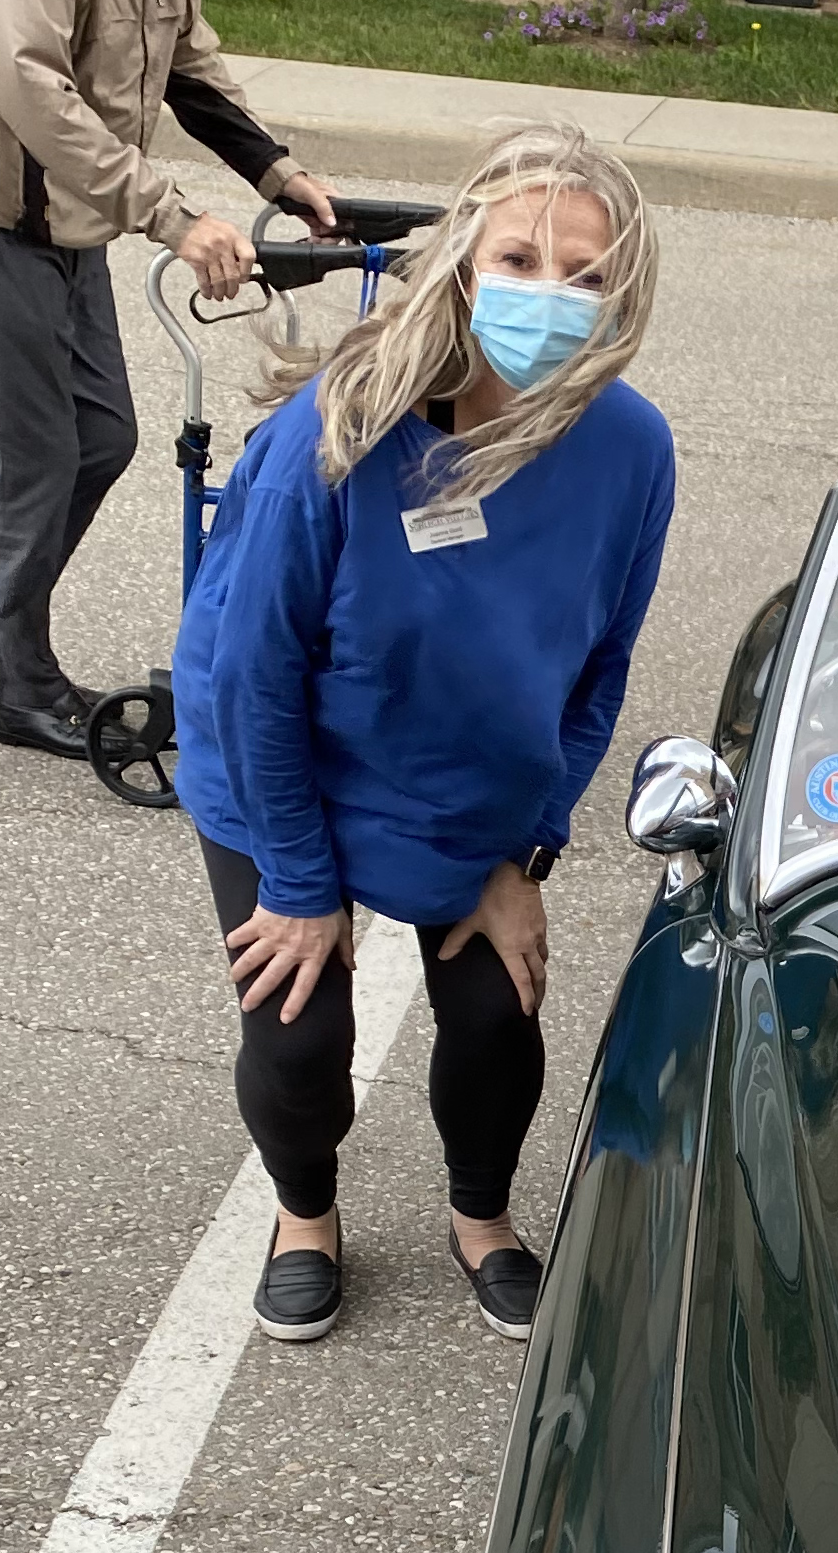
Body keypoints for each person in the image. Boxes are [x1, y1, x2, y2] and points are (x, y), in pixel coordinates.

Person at [168, 123, 676, 1345]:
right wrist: (300, 883)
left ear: (623, 297)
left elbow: (598, 671)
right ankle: (304, 1214)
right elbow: (252, 675)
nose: (549, 296)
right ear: (460, 262)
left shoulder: (632, 451)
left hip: (457, 782)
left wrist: (526, 854)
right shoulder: (331, 439)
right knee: (298, 1033)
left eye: (587, 275)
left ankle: (481, 1215)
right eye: (519, 257)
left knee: (502, 1019)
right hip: (284, 758)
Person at [0, 0, 338, 758]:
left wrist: (276, 172)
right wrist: (174, 219)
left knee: (100, 436)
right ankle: (17, 683)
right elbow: (33, 92)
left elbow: (187, 65)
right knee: (40, 452)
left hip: (67, 213)